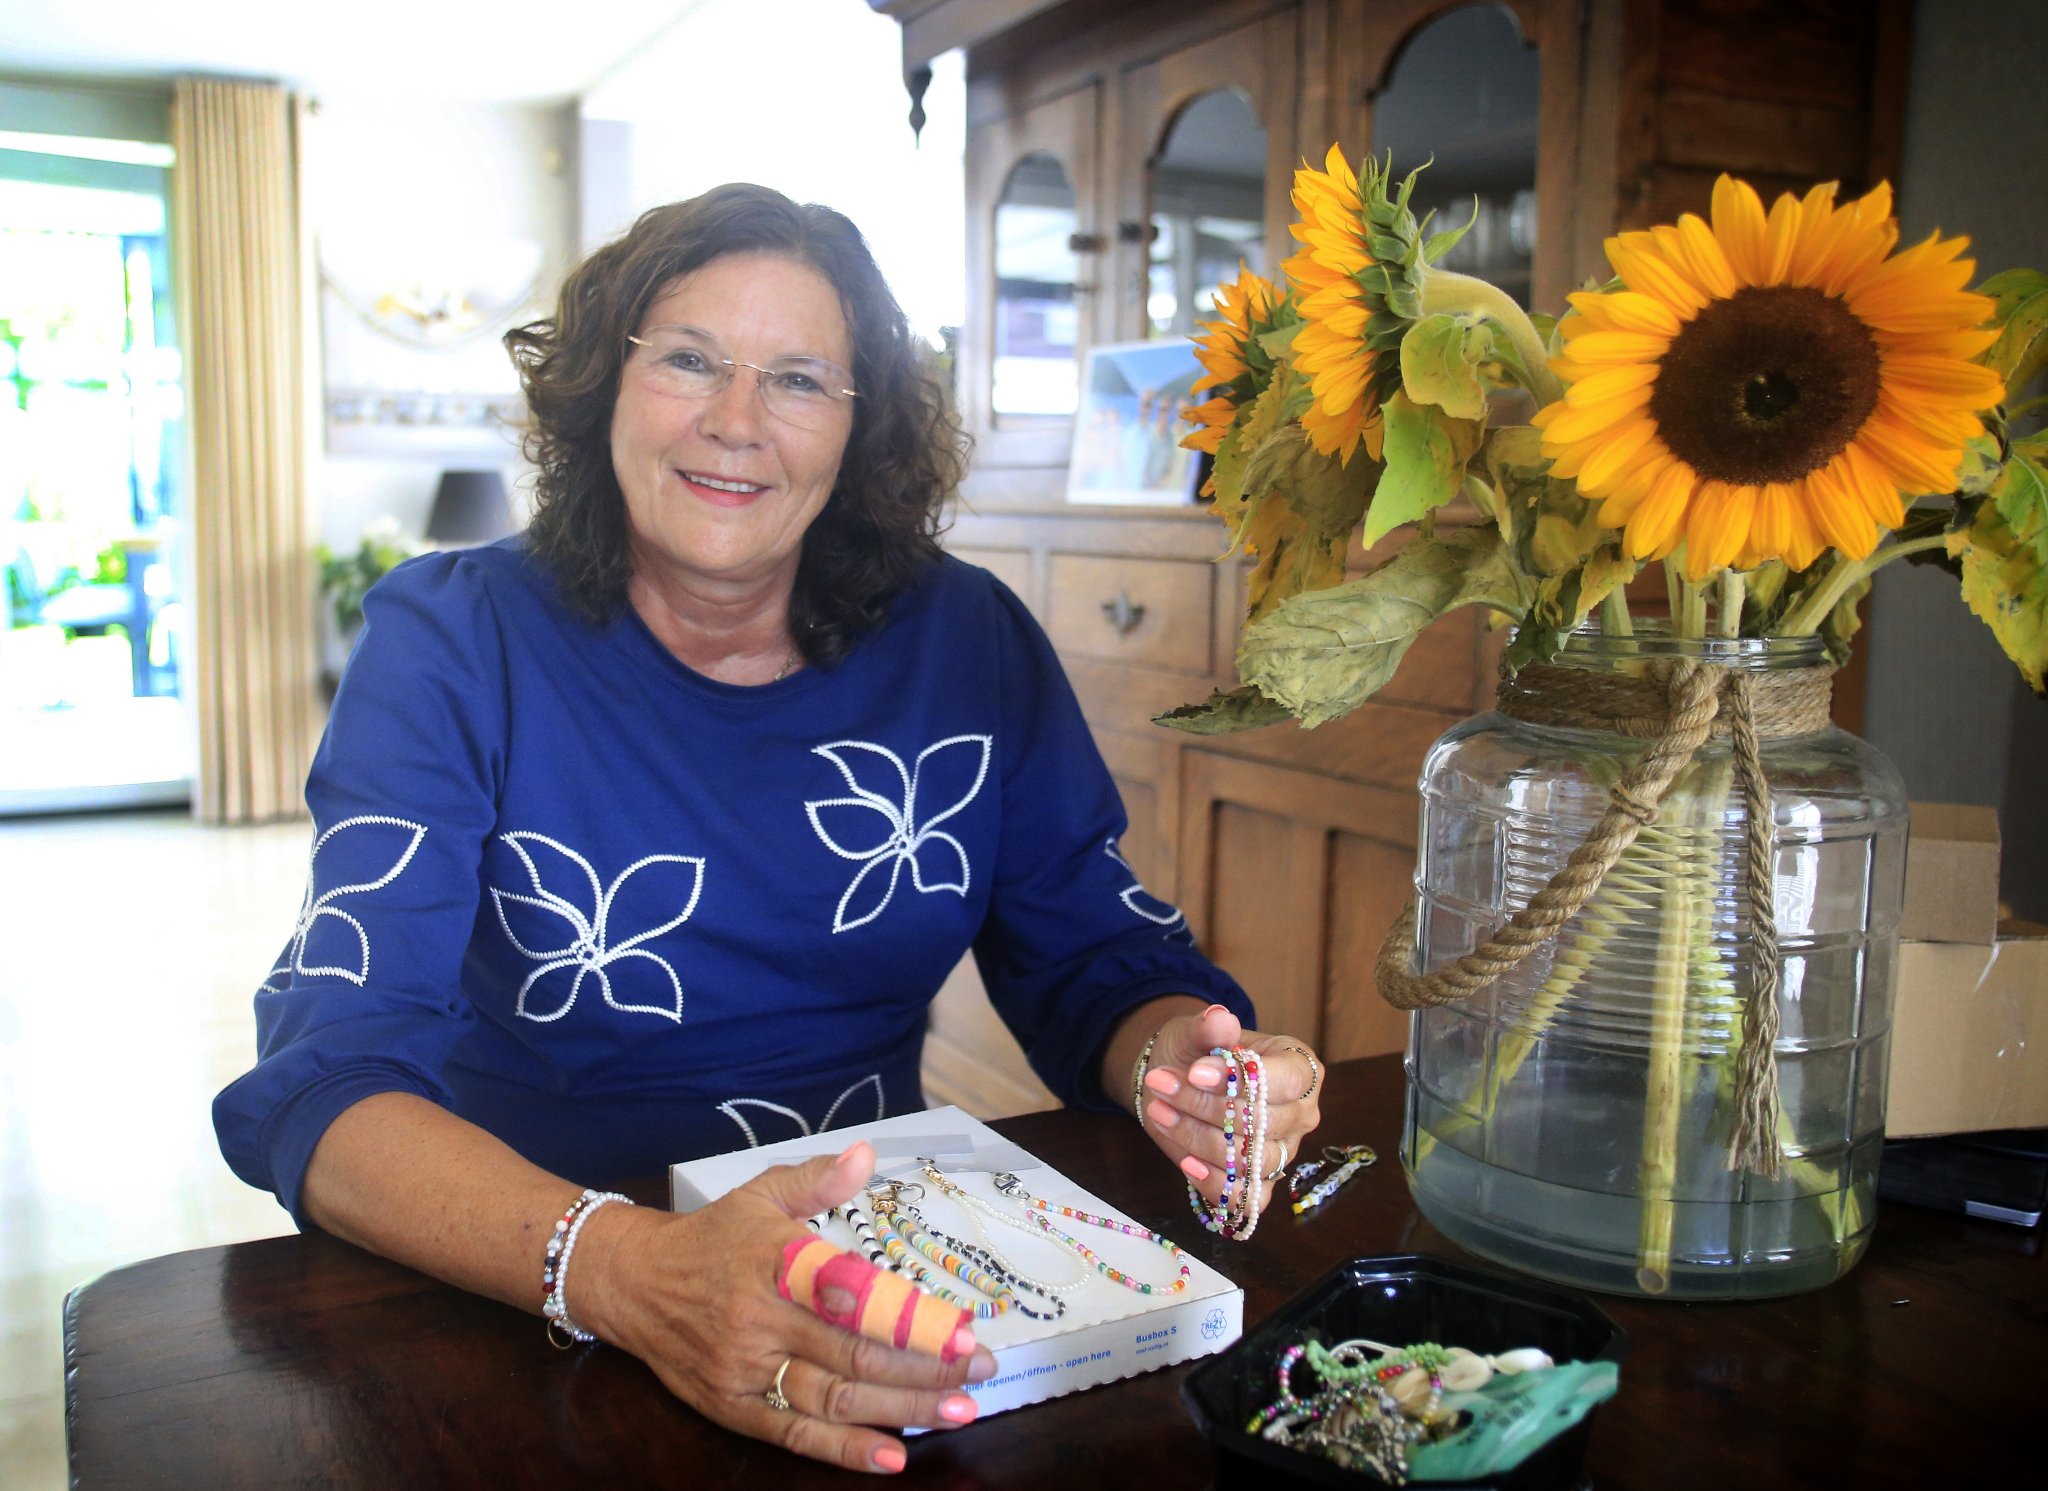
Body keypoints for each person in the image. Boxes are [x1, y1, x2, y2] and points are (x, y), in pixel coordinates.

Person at [214, 184, 1324, 1476]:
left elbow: (1097, 962)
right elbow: (327, 1084)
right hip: (520, 1290)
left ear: (863, 430)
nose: (736, 421)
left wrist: (1180, 1067)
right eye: (688, 359)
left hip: (867, 1277)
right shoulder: (454, 640)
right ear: (603, 386)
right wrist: (630, 1272)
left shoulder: (964, 644)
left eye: (799, 380)